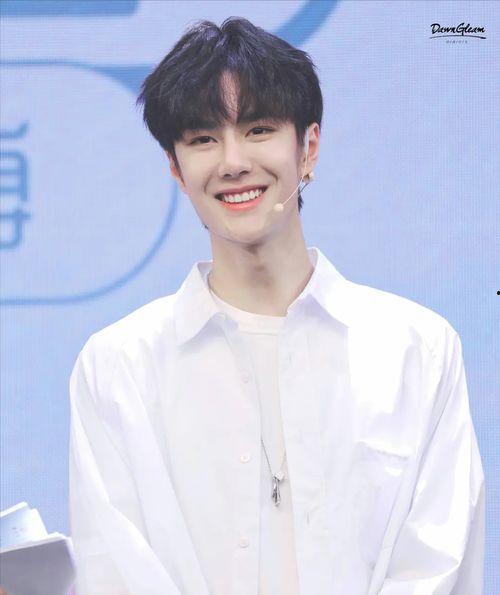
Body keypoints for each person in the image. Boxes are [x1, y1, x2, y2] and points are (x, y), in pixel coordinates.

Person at [68, 17, 485, 595]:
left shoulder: (416, 349)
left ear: (308, 146)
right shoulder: (118, 367)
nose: (233, 161)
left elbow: (437, 564)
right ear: (176, 169)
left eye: (258, 129)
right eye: (203, 139)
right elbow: (116, 570)